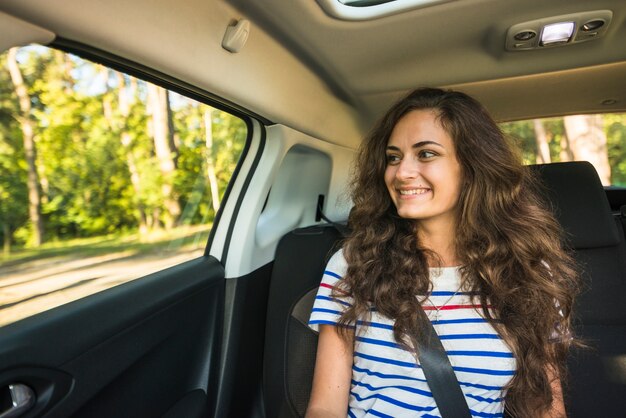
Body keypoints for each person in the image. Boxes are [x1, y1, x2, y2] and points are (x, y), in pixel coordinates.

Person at [306, 88, 578, 418]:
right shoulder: (354, 264)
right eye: (393, 157)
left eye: (426, 154)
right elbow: (325, 407)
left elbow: (545, 407)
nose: (401, 172)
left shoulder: (529, 271)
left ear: (473, 166)